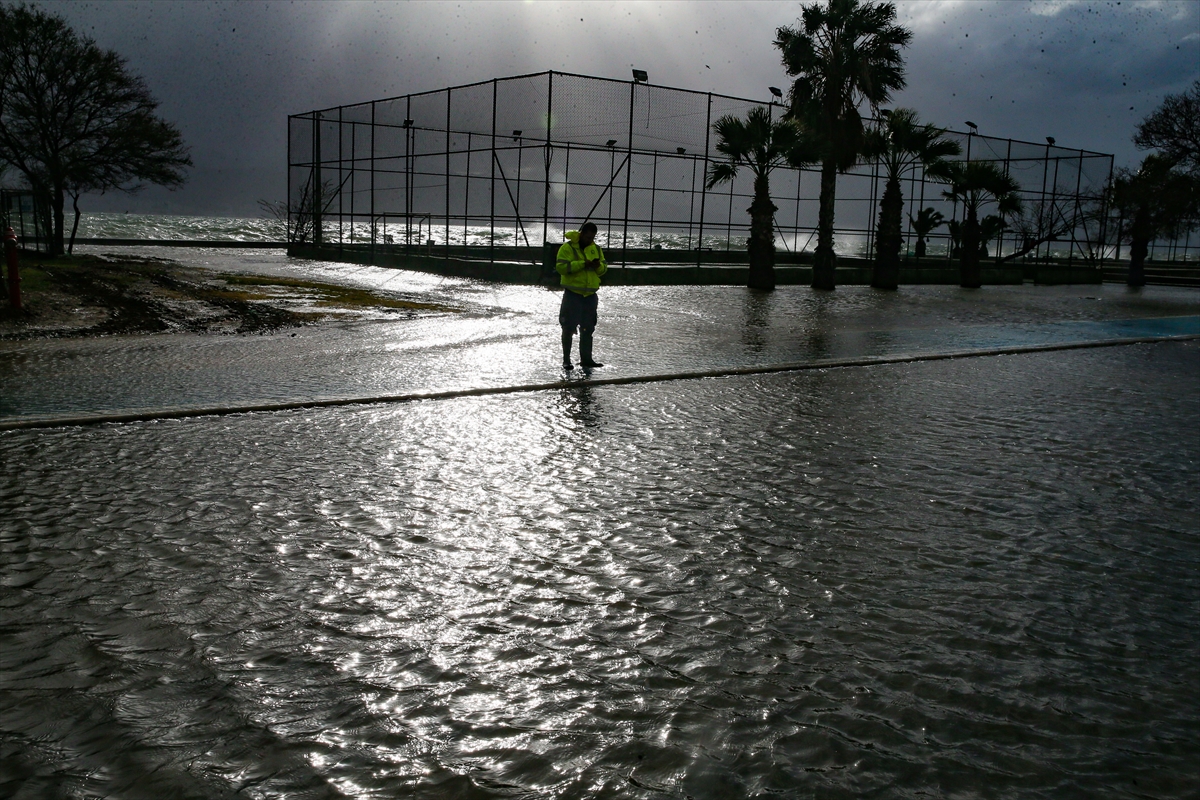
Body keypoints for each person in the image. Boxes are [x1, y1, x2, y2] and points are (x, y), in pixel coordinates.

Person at [555, 221, 607, 370]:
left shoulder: (596, 249)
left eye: (592, 237)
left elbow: (603, 269)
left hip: (590, 296)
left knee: (588, 328)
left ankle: (587, 359)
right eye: (587, 236)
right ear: (582, 233)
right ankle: (566, 360)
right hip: (573, 294)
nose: (589, 239)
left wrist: (598, 266)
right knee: (568, 327)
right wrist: (582, 264)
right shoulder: (568, 247)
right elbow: (561, 267)